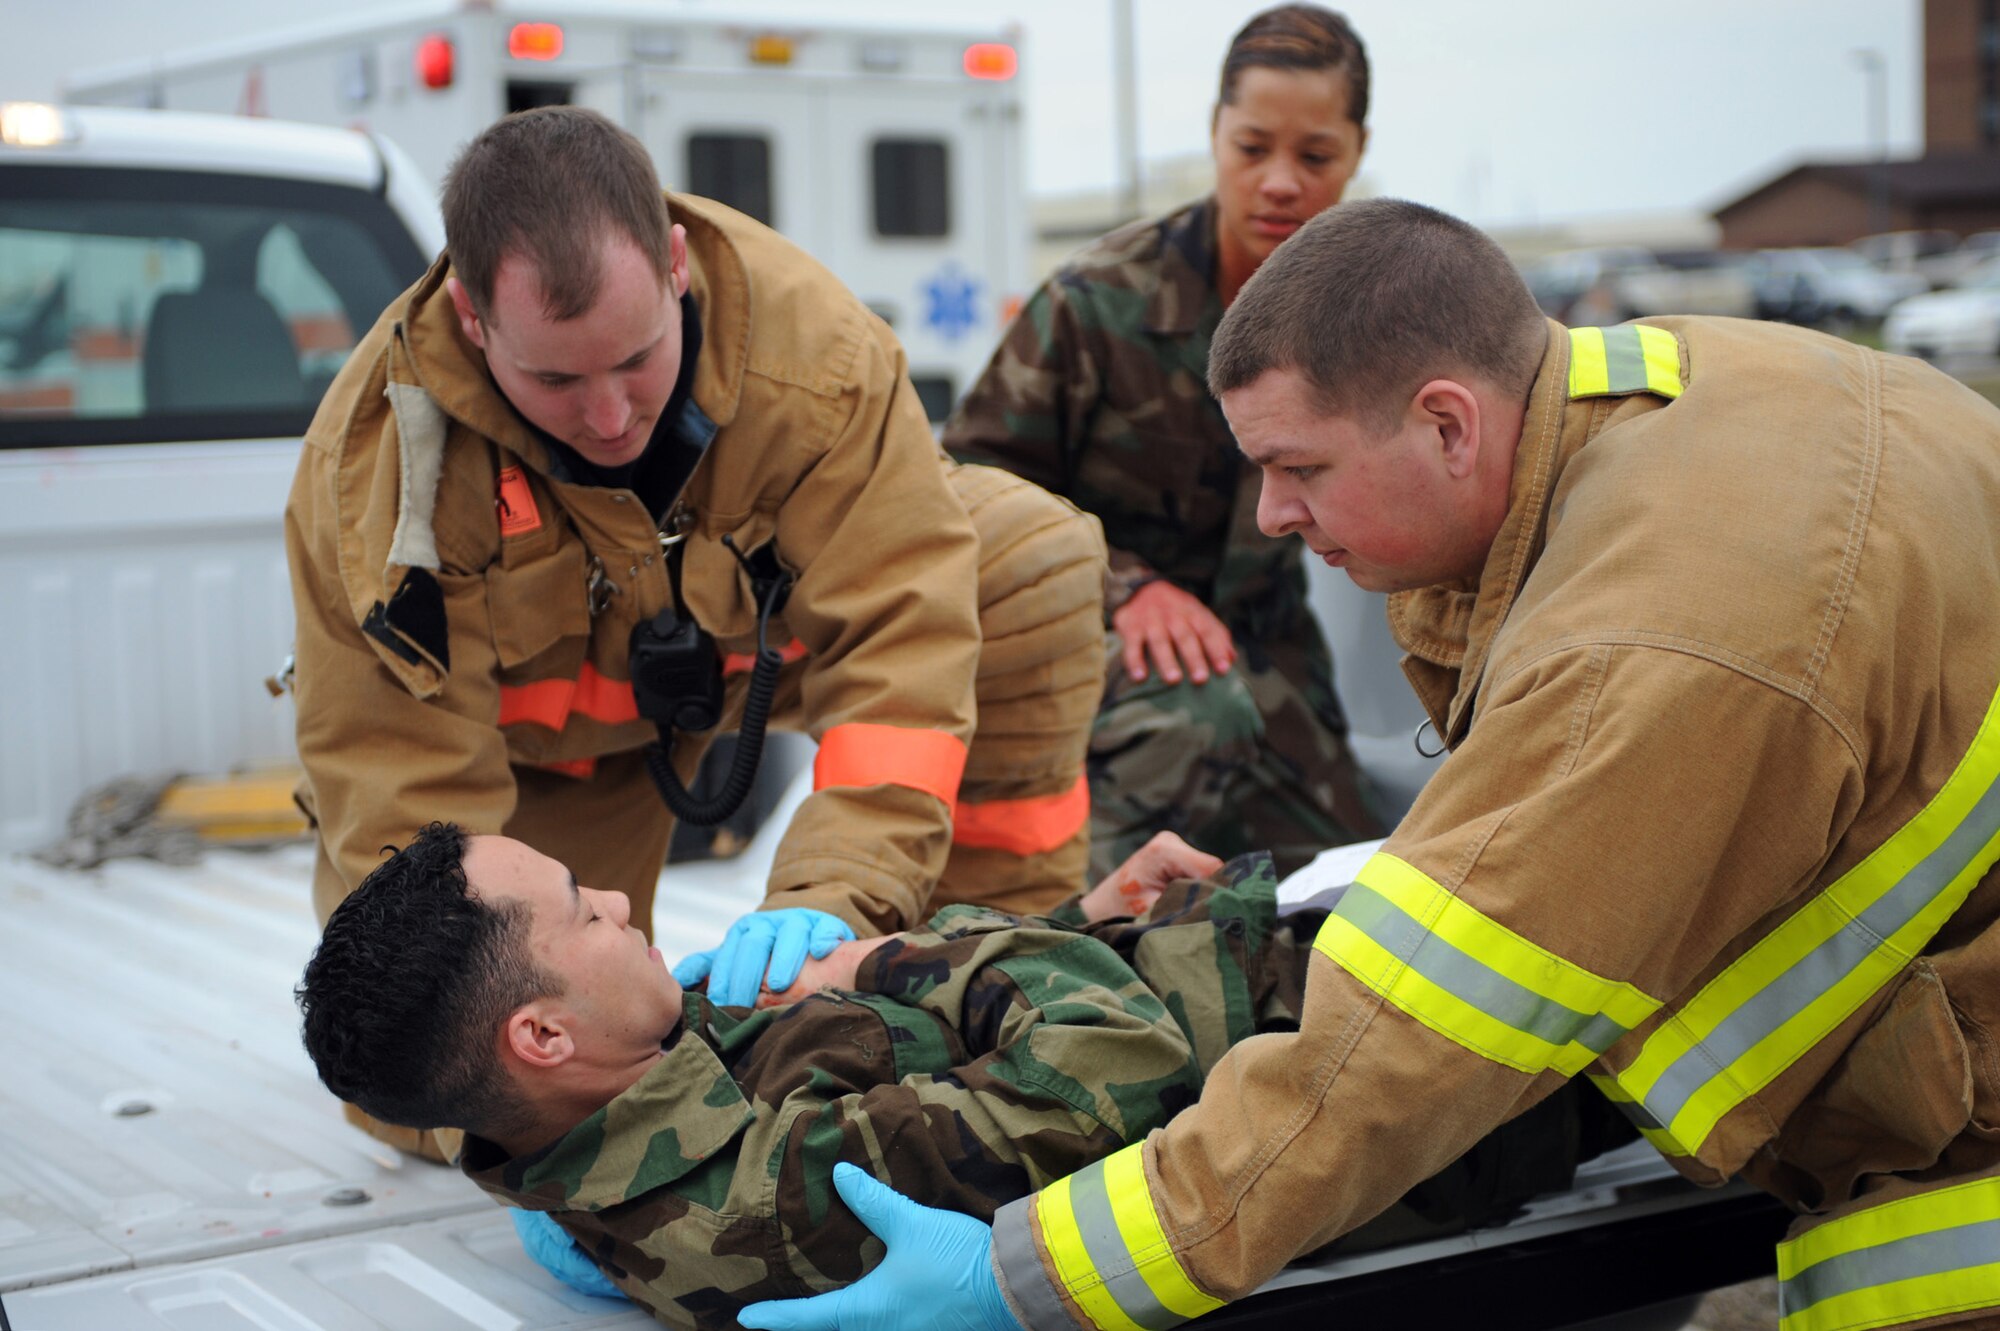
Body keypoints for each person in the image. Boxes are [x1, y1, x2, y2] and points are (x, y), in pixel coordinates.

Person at [736, 199, 2000, 1331]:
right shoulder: (1706, 386)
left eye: (1300, 468)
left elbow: (1393, 1058)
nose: (1275, 516)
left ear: (1446, 421)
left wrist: (1026, 1277)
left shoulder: (1652, 641)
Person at [285, 106, 1109, 1158]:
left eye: (635, 358)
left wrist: (834, 895)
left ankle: (972, 969)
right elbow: (402, 801)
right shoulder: (378, 476)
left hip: (736, 671)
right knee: (463, 1079)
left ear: (675, 265)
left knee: (1025, 555)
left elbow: (903, 650)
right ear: (471, 316)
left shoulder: (821, 364)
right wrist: (531, 1150)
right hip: (537, 777)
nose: (611, 415)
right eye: (555, 379)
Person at [296, 821, 1622, 1330]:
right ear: (538, 1037)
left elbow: (952, 1035)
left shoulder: (633, 1078)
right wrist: (877, 959)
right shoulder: (763, 1199)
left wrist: (1075, 912)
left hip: (1319, 944)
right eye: (579, 909)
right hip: (1431, 1063)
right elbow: (1121, 1062)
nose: (615, 891)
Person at [945, 4, 1384, 879]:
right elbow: (964, 482)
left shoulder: (1373, 318)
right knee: (1187, 739)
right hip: (1093, 648)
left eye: (1316, 156)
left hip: (1266, 654)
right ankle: (1076, 954)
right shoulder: (1097, 302)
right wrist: (1125, 585)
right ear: (1216, 132)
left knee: (1353, 887)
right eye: (1253, 147)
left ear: (1358, 151)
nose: (1281, 183)